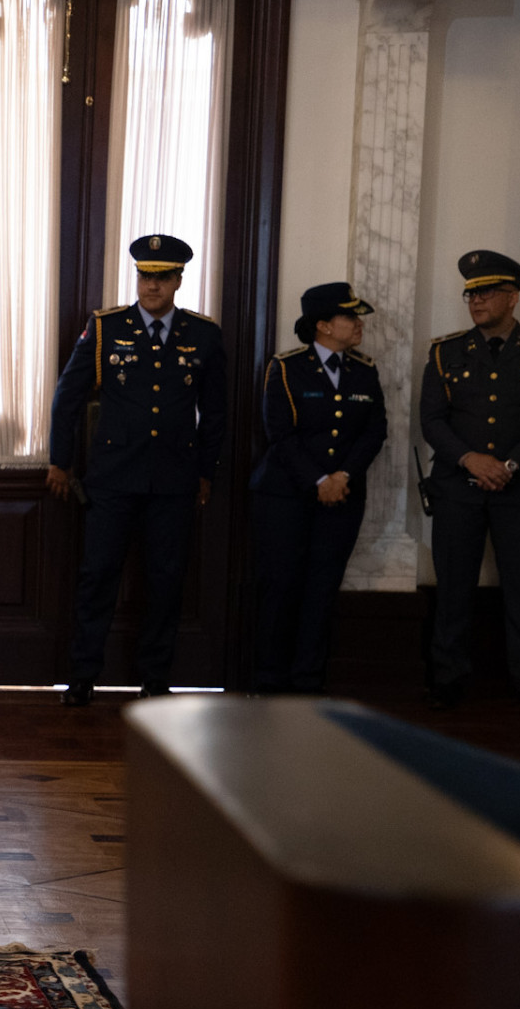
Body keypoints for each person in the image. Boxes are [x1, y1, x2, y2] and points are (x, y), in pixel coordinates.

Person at [46, 234, 226, 704]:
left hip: (174, 479)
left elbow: (216, 412)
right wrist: (60, 461)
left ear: (178, 281)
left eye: (162, 278)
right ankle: (82, 677)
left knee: (166, 581)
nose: (152, 286)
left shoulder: (203, 334)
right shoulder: (106, 327)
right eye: (145, 276)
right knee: (98, 577)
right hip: (113, 478)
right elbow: (68, 397)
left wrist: (206, 472)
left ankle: (155, 679)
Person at [420, 250, 520, 711]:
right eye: (471, 293)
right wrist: (470, 459)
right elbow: (432, 420)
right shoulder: (445, 352)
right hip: (458, 488)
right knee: (453, 587)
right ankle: (448, 677)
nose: (476, 301)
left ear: (513, 298)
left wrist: (509, 466)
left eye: (487, 292)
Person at [248, 283, 385, 694]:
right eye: (350, 317)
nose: (359, 324)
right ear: (323, 325)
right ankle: (269, 680)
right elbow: (280, 434)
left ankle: (307, 681)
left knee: (322, 589)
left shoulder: (365, 370)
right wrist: (319, 480)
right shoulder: (286, 368)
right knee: (280, 587)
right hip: (285, 497)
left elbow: (374, 432)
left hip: (342, 498)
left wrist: (343, 476)